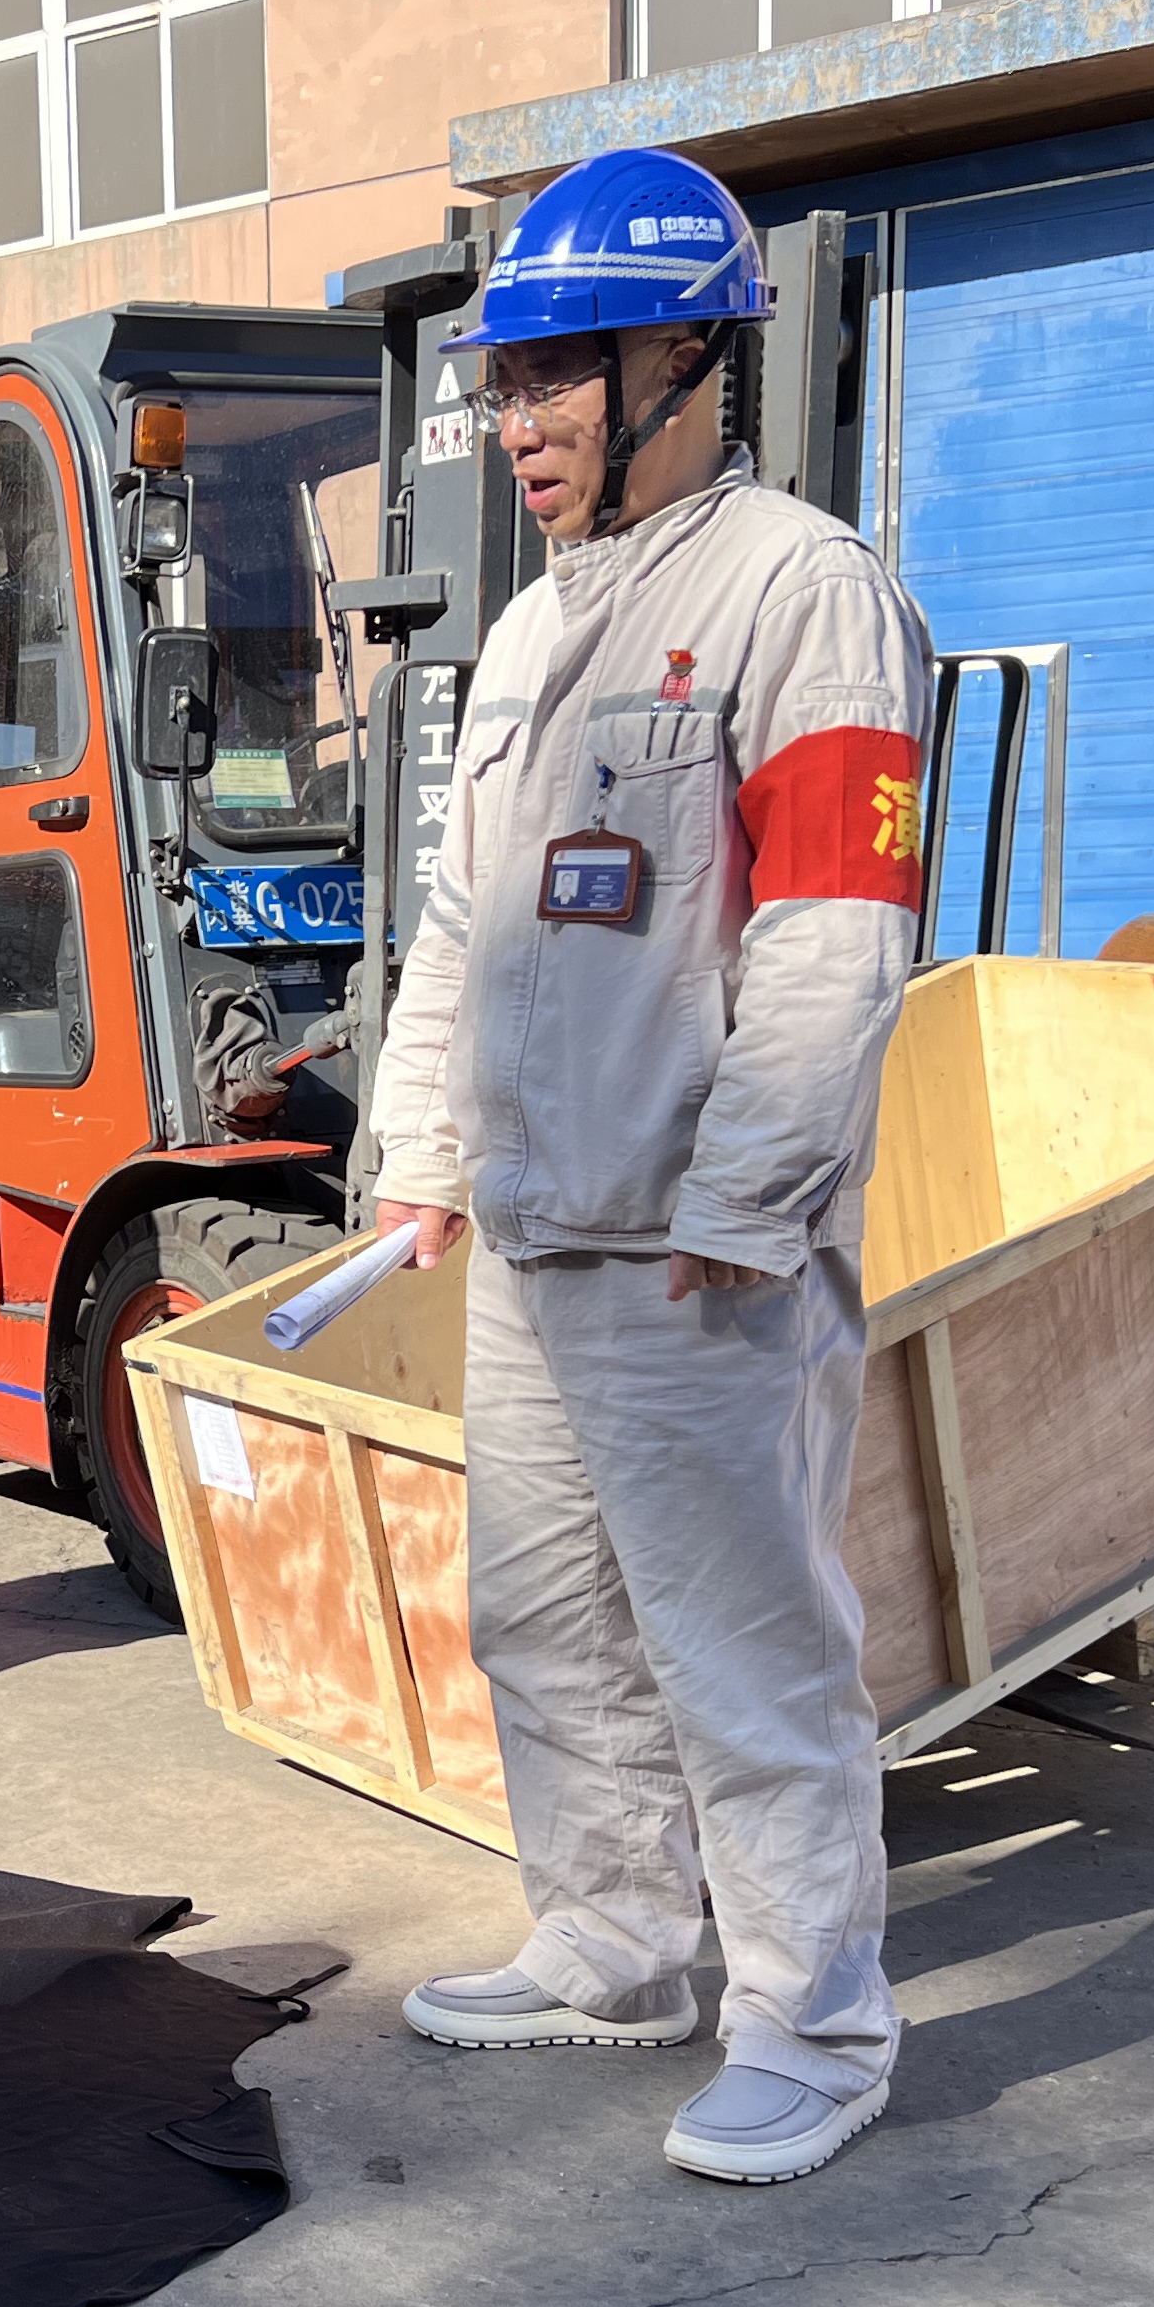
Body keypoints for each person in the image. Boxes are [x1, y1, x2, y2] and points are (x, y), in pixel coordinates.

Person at [367, 149, 935, 2187]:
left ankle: (815, 2022)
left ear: (684, 362)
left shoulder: (804, 594)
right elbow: (463, 927)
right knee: (544, 1624)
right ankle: (616, 1946)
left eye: (554, 375)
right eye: (503, 382)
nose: (515, 422)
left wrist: (752, 1199)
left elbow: (837, 933)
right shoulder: (533, 633)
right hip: (539, 1235)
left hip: (699, 1253)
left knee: (746, 1653)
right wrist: (423, 1154)